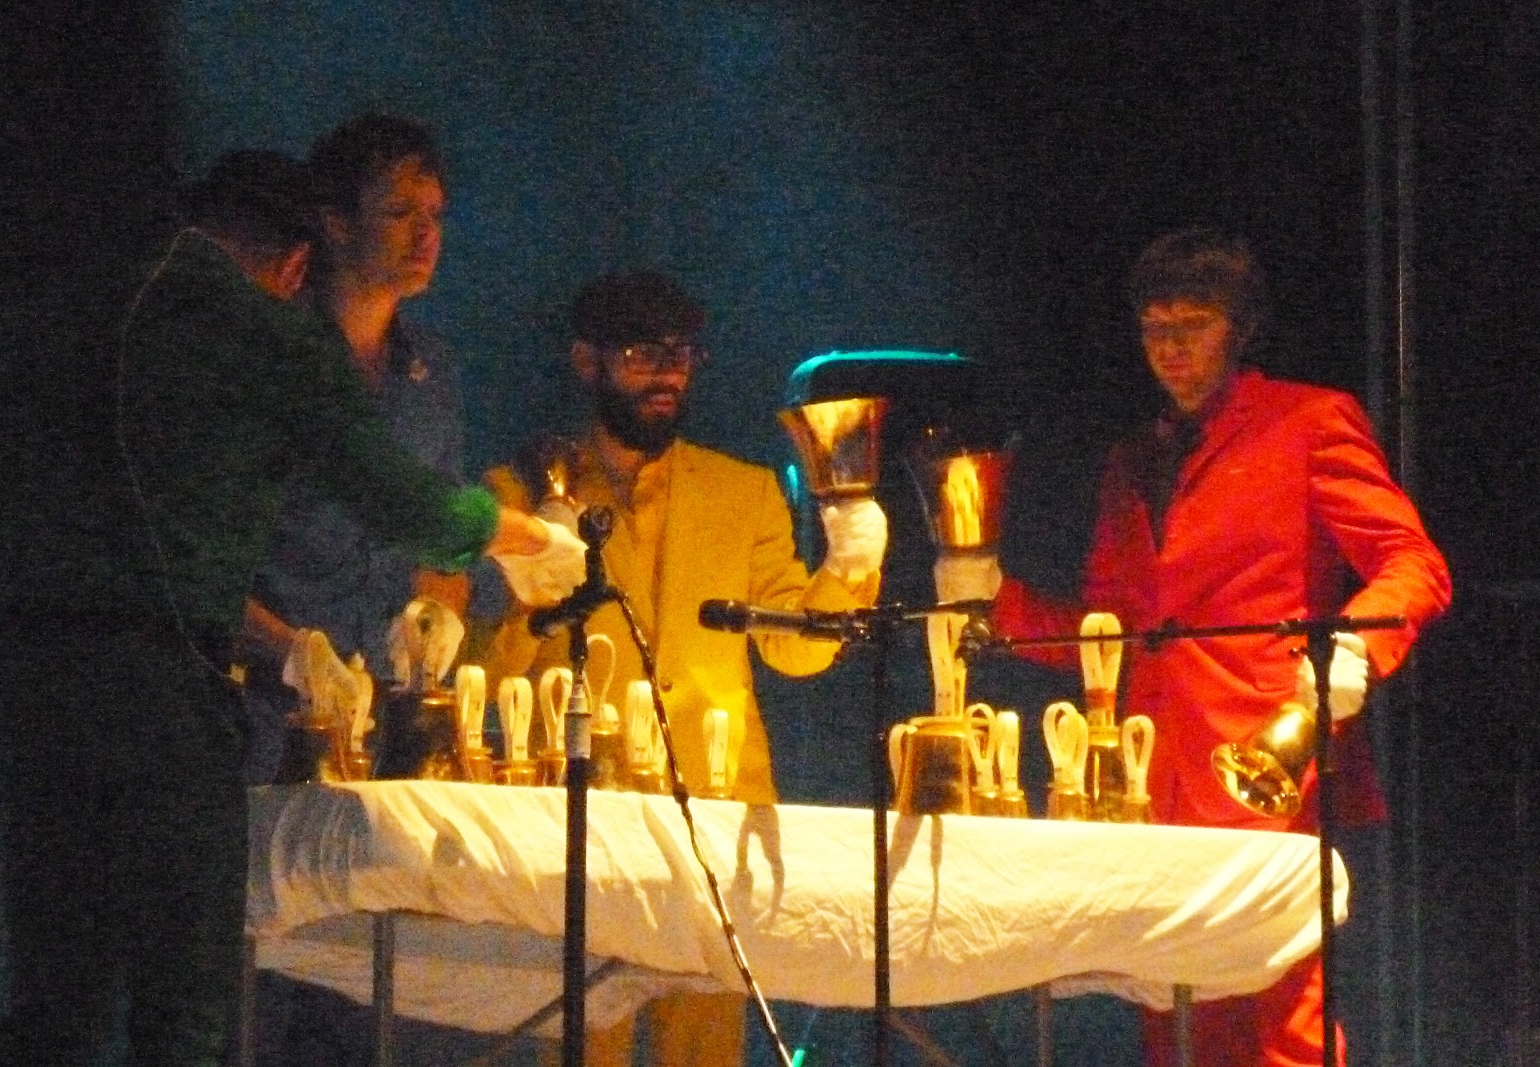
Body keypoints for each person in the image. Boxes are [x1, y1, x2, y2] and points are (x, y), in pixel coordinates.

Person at [0, 150, 584, 1066]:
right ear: (296, 262)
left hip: (25, 683)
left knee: (58, 995)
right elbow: (396, 497)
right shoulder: (261, 335)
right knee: (186, 1000)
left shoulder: (61, 313)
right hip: (163, 687)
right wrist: (511, 533)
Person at [984, 227, 1452, 1067]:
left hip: (1264, 756)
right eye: (1154, 328)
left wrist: (1350, 651)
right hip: (1150, 772)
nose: (1169, 346)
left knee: (1279, 1019)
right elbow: (1114, 635)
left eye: (1192, 324)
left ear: (1241, 328)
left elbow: (1413, 561)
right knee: (1172, 1017)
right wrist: (989, 597)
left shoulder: (1309, 420)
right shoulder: (1133, 458)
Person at [473, 270, 889, 1067]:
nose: (667, 372)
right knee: (577, 1046)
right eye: (642, 353)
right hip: (575, 823)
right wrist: (530, 596)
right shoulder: (518, 493)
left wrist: (849, 565)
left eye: (682, 353)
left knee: (703, 1053)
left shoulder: (745, 490)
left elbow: (793, 648)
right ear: (587, 361)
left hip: (717, 820)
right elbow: (481, 676)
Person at [240, 113, 469, 784]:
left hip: (388, 734)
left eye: (434, 213)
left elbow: (443, 539)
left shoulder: (431, 368)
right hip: (263, 721)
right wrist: (293, 653)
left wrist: (436, 612)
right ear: (336, 223)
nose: (425, 233)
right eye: (399, 212)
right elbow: (194, 559)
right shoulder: (266, 354)